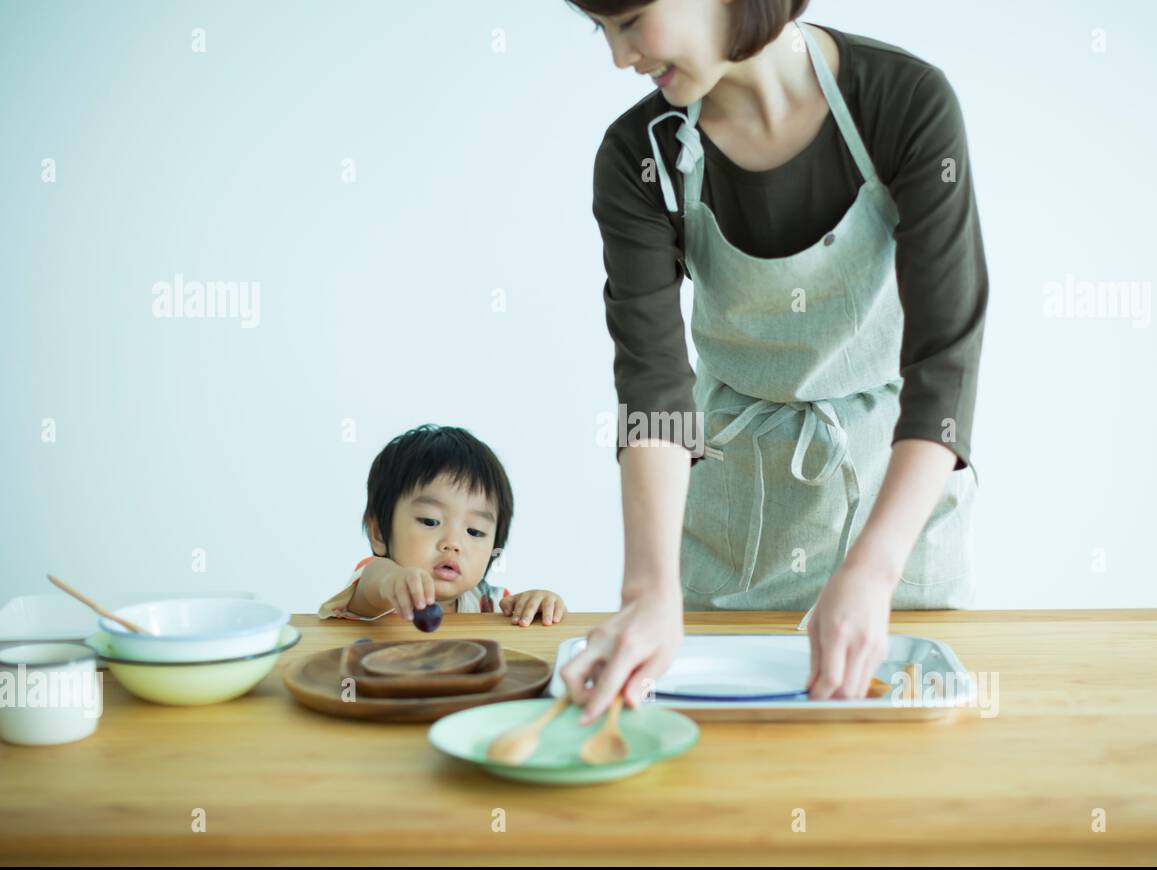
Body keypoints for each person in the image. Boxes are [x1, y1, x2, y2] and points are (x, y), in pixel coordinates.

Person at [563, 0, 988, 723]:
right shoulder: (639, 154)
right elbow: (655, 386)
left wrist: (873, 571)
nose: (618, 57)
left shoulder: (905, 102)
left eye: (630, 20)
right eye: (598, 29)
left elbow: (944, 366)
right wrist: (649, 593)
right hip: (734, 526)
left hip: (896, 526)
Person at [318, 424, 567, 628]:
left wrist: (539, 605)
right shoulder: (380, 588)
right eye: (430, 521)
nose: (453, 543)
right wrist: (395, 581)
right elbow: (375, 579)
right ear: (379, 532)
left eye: (475, 531)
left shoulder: (489, 604)